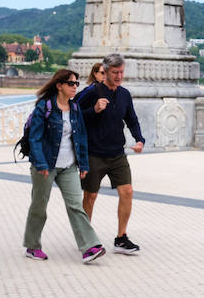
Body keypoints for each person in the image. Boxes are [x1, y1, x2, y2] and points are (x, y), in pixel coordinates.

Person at [22, 68, 105, 264]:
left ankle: (89, 247)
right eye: (71, 83)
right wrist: (41, 163)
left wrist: (83, 164)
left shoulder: (75, 109)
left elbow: (81, 137)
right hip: (45, 165)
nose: (75, 87)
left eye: (76, 83)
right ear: (59, 85)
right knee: (39, 206)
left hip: (68, 166)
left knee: (76, 206)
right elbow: (34, 138)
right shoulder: (45, 107)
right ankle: (32, 246)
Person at [76, 52, 144, 254]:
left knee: (127, 192)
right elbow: (74, 115)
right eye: (115, 72)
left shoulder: (124, 94)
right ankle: (86, 239)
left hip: (117, 154)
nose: (119, 76)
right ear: (104, 72)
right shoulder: (91, 92)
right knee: (90, 196)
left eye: (121, 72)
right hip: (94, 153)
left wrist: (139, 139)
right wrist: (94, 110)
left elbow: (131, 119)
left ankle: (121, 238)